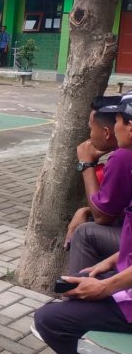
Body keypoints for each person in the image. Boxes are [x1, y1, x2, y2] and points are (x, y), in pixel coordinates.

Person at [33, 94, 132, 354]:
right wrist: (111, 263)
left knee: (48, 320)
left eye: (117, 122)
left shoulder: (123, 156)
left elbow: (104, 215)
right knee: (86, 279)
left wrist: (106, 286)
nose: (114, 129)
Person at [64, 96, 128, 273]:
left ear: (107, 132)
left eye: (91, 129)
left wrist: (86, 164)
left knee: (85, 233)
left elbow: (103, 216)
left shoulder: (122, 156)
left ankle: (76, 295)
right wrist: (85, 210)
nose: (89, 136)